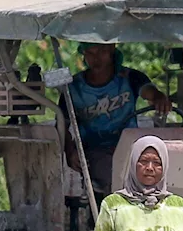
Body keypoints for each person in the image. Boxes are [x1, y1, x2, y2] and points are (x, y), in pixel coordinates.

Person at [64, 43, 171, 198]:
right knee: (116, 180)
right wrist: (70, 151)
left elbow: (149, 92)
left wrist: (158, 98)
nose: (96, 58)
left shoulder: (130, 77)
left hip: (131, 148)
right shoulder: (74, 88)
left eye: (102, 52)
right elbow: (62, 124)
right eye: (90, 53)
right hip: (95, 151)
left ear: (112, 50)